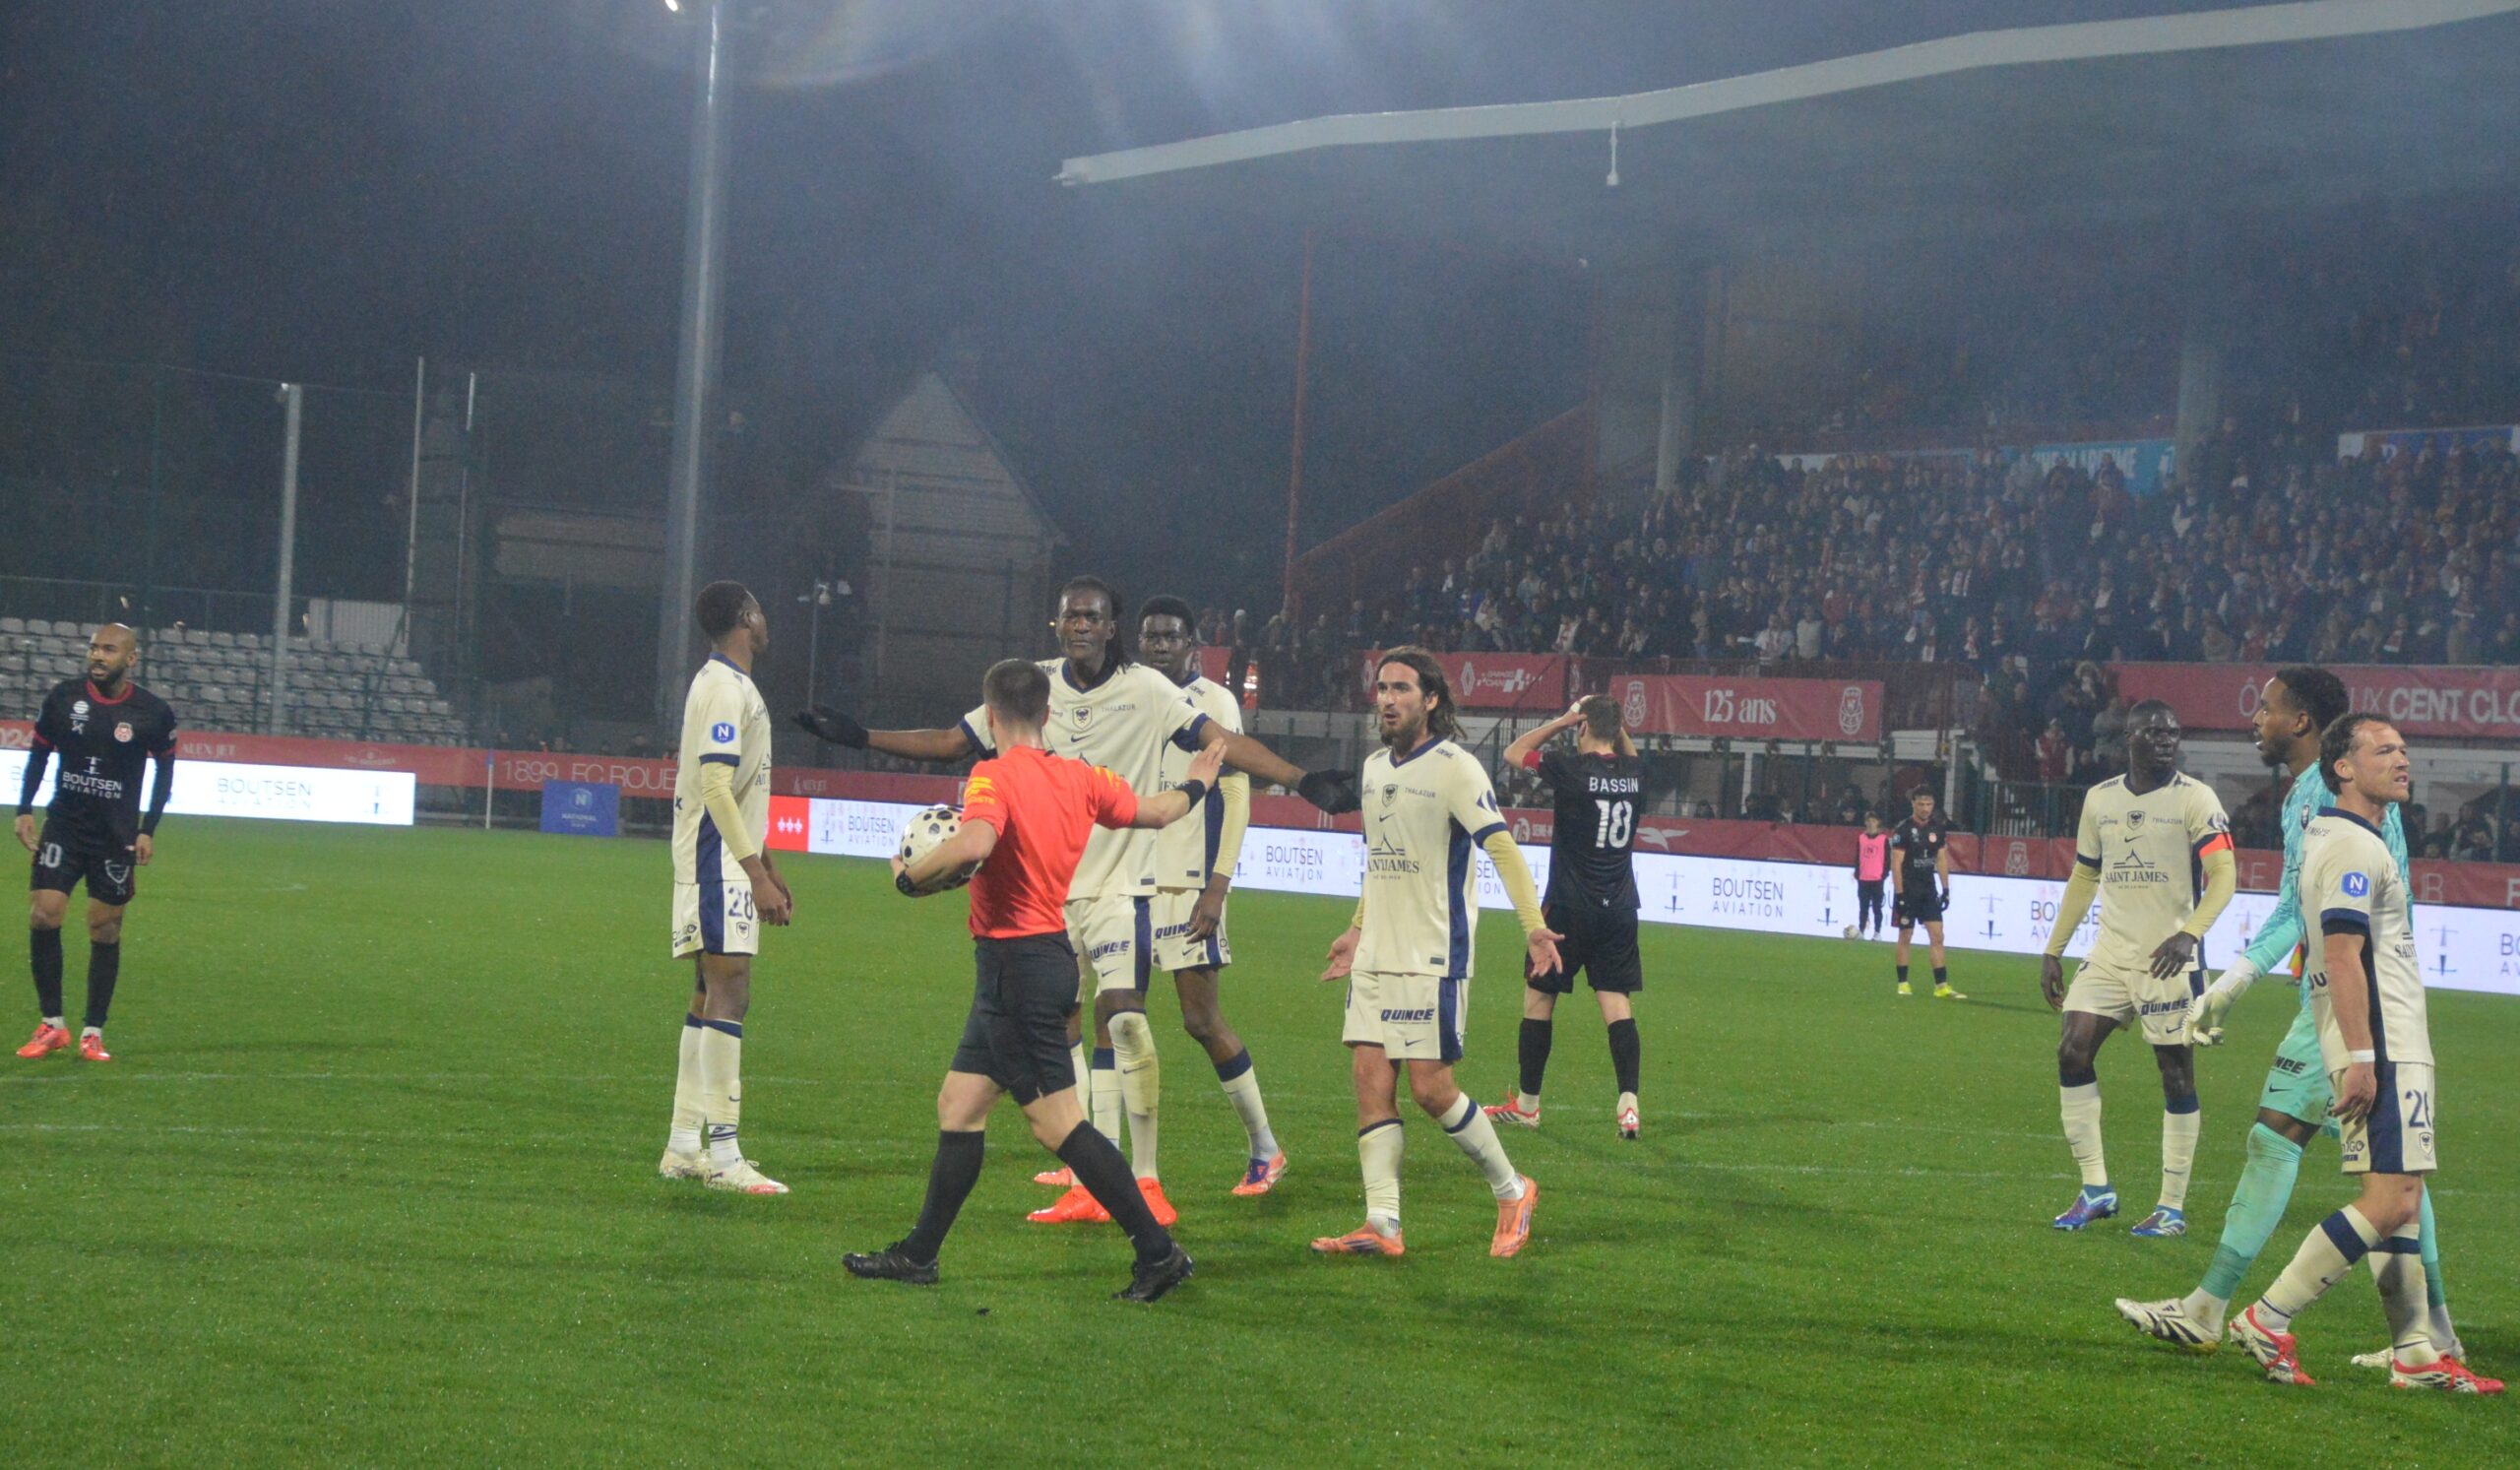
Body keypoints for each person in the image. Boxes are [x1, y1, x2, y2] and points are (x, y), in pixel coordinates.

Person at [795, 576, 1354, 1227]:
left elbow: (1221, 743)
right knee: (1065, 1035)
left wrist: (1300, 778)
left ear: (1111, 627)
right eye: (1070, 616)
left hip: (1123, 889)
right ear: (1057, 624)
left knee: (1123, 1019)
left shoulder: (1148, 690)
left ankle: (1146, 1180)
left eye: (1091, 616)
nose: (1080, 625)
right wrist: (861, 735)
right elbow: (952, 740)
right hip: (1051, 895)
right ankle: (1090, 1181)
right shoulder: (1033, 687)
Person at [2117, 669, 2476, 1370]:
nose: (2256, 719)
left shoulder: (2323, 796)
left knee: (2286, 1143)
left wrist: (2236, 979)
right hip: (2361, 989)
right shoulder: (2328, 795)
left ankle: (2221, 1310)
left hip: (2350, 996)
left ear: (2303, 722)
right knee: (2397, 1175)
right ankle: (2426, 1338)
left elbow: (2308, 910)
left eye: (2267, 708)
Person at [846, 659, 1220, 1302]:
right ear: (1047, 713)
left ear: (991, 716)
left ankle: (1159, 1253)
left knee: (1059, 1125)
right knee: (959, 1106)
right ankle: (919, 1255)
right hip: (1028, 964)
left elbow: (975, 843)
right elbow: (1159, 811)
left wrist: (911, 877)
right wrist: (1199, 782)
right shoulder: (1083, 777)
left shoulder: (991, 775)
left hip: (1017, 971)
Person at [2220, 717, 2497, 1392]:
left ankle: (2415, 1354)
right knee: (2389, 1200)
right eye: (2384, 750)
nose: (2403, 759)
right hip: (2384, 1040)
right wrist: (2364, 1056)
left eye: (2404, 749)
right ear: (2343, 767)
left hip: (2389, 1038)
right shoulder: (2351, 846)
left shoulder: (2345, 837)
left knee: (2404, 1196)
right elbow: (2343, 955)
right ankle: (2268, 1316)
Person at [1313, 649, 1557, 1259]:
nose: (1387, 699)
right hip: (1376, 954)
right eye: (1381, 688)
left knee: (1432, 1089)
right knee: (1370, 1081)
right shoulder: (1373, 768)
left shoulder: (1456, 768)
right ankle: (1382, 1223)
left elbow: (1502, 849)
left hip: (1431, 955)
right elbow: (1380, 861)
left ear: (1431, 700)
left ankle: (1513, 1189)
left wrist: (1533, 927)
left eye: (1401, 688)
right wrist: (1356, 929)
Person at [2039, 701, 2236, 1235]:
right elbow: (2085, 876)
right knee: (2072, 1050)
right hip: (2110, 953)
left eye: (2173, 732)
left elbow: (2224, 875)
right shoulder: (2100, 799)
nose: (2166, 740)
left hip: (2169, 959)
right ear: (2129, 737)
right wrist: (2054, 949)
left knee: (2175, 1074)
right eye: (2153, 732)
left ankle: (2171, 1207)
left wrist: (2190, 933)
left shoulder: (2196, 798)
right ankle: (2095, 1188)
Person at [1135, 596, 1285, 1195]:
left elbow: (1237, 795)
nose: (1160, 645)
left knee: (1200, 1020)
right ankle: (1092, 1163)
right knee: (1114, 1017)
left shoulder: (1214, 702)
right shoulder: (1129, 695)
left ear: (1191, 645)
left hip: (1187, 882)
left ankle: (1265, 1147)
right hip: (1127, 880)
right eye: (1151, 636)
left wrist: (1217, 886)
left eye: (1171, 636)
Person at [658, 583, 794, 1194]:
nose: (765, 620)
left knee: (707, 992)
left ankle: (684, 1146)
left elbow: (737, 789)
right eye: (760, 609)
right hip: (715, 861)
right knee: (730, 990)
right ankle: (724, 1155)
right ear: (746, 616)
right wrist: (753, 873)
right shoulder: (723, 687)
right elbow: (715, 785)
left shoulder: (729, 684)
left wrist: (766, 860)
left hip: (725, 858)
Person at [1482, 695, 1648, 1139]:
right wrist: (1608, 721)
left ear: (1582, 726)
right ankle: (1629, 1103)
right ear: (1617, 729)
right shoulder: (1636, 773)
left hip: (1569, 908)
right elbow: (1627, 752)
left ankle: (1528, 1106)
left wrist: (1563, 719)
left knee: (1539, 998)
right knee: (1616, 1004)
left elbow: (1514, 752)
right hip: (1620, 909)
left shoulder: (1570, 769)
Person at [14, 623, 177, 1063]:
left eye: (109, 649)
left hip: (114, 834)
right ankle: (52, 1024)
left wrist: (148, 828)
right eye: (93, 648)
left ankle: (92, 1032)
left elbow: (165, 771)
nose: (98, 656)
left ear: (131, 658)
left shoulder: (152, 712)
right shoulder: (64, 698)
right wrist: (24, 808)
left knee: (104, 927)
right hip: (64, 826)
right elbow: (39, 753)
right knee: (44, 914)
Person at [1889, 789, 1960, 998]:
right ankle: (1903, 983)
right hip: (1908, 889)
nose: (1925, 808)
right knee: (1905, 935)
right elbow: (1896, 864)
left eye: (1929, 804)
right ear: (1913, 803)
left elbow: (1941, 859)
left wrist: (1945, 889)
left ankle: (1941, 985)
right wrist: (1899, 895)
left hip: (1928, 889)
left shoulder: (1938, 828)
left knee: (1937, 936)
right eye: (1921, 804)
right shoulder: (1903, 829)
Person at [1851, 812, 1890, 941]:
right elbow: (1857, 856)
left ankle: (1877, 932)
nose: (1871, 823)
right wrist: (1857, 872)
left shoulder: (1883, 839)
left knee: (1877, 907)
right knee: (1863, 907)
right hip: (1864, 877)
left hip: (1877, 878)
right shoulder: (1861, 838)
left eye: (1873, 821)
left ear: (1878, 823)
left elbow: (1887, 859)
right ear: (1865, 822)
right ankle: (1861, 930)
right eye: (1869, 820)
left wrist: (1884, 874)